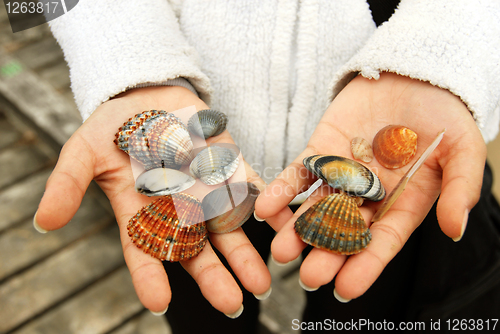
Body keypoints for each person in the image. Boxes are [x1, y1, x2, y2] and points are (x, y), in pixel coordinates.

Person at [34, 0, 500, 332]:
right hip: (200, 177)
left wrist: (447, 58)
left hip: (409, 174)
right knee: (208, 316)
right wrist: (123, 65)